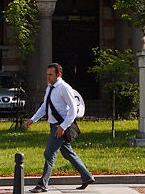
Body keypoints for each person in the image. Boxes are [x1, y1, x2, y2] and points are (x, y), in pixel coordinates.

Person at [24, 63, 94, 192]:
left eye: (51, 75)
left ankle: (42, 185)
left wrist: (62, 127)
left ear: (59, 75)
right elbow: (45, 107)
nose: (48, 77)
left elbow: (73, 109)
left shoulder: (64, 88)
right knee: (68, 153)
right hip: (55, 126)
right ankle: (87, 177)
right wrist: (33, 119)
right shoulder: (50, 88)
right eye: (47, 75)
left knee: (49, 153)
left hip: (60, 127)